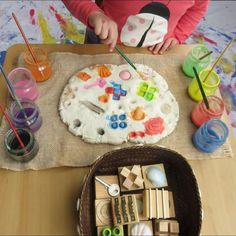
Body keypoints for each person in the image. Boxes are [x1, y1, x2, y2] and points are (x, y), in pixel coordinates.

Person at [62, 0, 209, 54]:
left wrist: (178, 34)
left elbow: (197, 9)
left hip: (156, 51)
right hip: (104, 42)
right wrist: (93, 13)